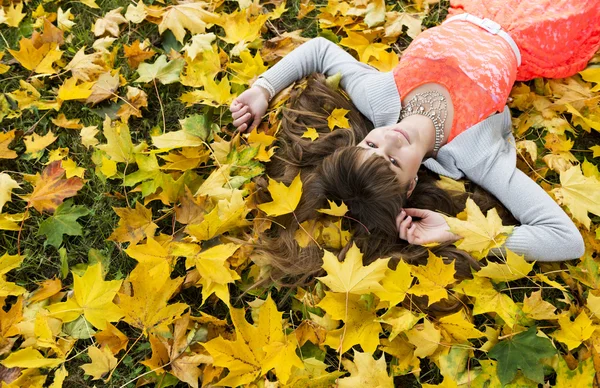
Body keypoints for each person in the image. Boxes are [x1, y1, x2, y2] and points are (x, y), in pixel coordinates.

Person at [231, 1, 595, 297]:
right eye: (391, 161)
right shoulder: (475, 155)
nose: (390, 139)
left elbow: (321, 50)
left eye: (371, 144)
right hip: (537, 25)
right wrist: (456, 230)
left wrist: (263, 89)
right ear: (409, 186)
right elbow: (565, 240)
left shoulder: (380, 101)